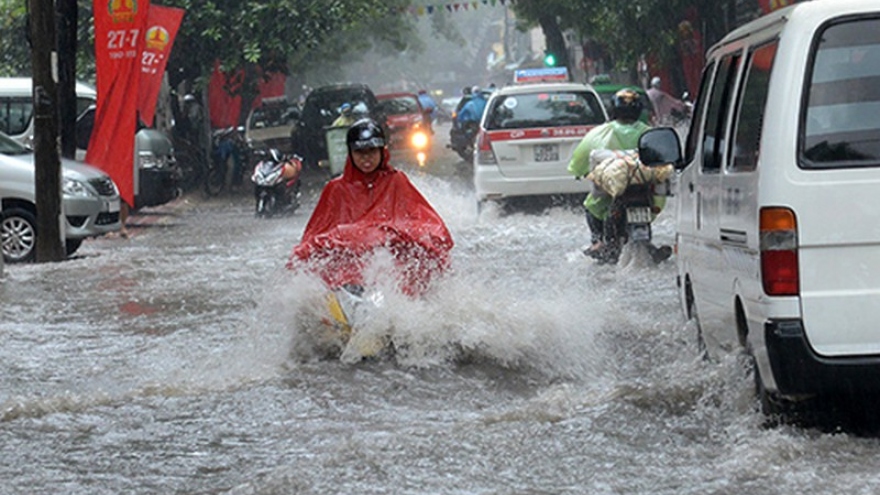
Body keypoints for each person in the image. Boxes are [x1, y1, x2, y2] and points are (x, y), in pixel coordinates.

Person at [287, 119, 453, 296]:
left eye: (372, 151)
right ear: (351, 154)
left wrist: (384, 234)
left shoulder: (396, 181)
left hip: (388, 262)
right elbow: (315, 235)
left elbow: (425, 223)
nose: (366, 158)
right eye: (360, 152)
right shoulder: (336, 188)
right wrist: (348, 238)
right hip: (348, 268)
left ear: (382, 151)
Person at [568, 88, 668, 262]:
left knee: (591, 204)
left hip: (611, 195)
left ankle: (598, 241)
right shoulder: (650, 133)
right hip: (645, 191)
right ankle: (648, 246)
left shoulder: (598, 133)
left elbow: (579, 161)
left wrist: (579, 172)